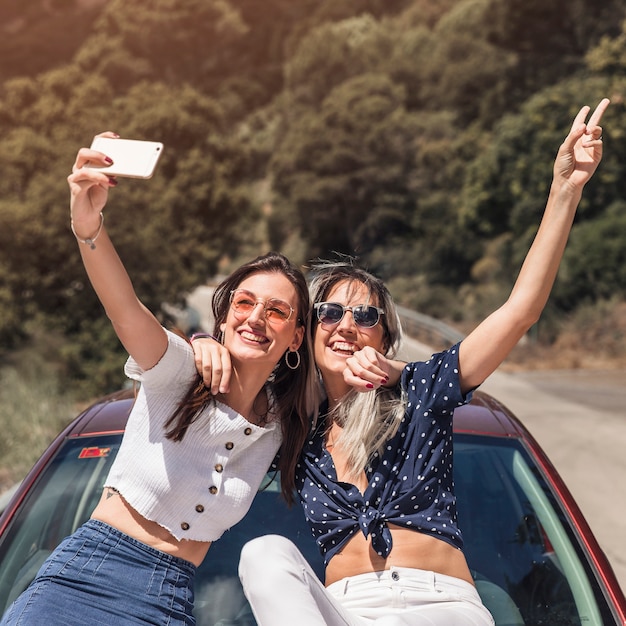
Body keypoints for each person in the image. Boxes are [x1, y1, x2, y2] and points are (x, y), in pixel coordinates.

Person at [191, 98, 609, 625]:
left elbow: (520, 311)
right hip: (347, 611)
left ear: (384, 339)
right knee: (262, 553)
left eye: (365, 315)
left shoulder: (421, 392)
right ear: (305, 333)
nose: (346, 324)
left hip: (442, 606)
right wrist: (205, 342)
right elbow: (207, 427)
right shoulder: (289, 430)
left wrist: (564, 190)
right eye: (331, 311)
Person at [0, 133, 318, 626]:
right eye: (244, 303)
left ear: (296, 337)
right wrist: (88, 227)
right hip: (86, 576)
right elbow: (123, 308)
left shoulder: (283, 427)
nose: (256, 318)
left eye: (277, 311)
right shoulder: (177, 369)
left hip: (168, 599)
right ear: (227, 314)